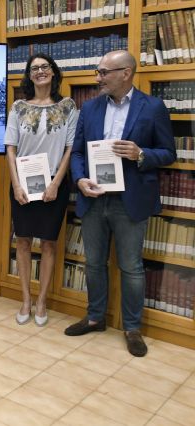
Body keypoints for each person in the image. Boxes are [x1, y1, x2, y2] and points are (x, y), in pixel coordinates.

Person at [65, 50, 176, 356]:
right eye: (98, 72)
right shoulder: (90, 108)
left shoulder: (152, 107)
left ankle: (132, 328)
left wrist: (141, 154)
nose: (97, 78)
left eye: (103, 72)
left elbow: (168, 152)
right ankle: (95, 317)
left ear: (126, 73)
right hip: (94, 197)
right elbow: (77, 152)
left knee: (131, 267)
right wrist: (79, 179)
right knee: (93, 263)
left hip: (131, 200)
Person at [4, 53, 78, 327]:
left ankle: (42, 301)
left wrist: (56, 183)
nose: (40, 71)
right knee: (22, 241)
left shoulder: (68, 106)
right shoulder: (18, 107)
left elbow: (70, 148)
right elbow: (10, 148)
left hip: (54, 184)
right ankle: (26, 299)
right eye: (34, 68)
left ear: (53, 71)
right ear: (29, 75)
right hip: (22, 183)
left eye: (45, 66)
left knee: (48, 243)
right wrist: (16, 185)